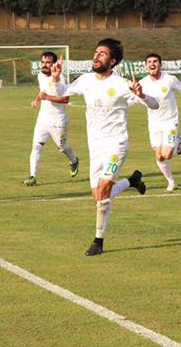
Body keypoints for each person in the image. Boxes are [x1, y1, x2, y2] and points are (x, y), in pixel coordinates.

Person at [38, 38, 159, 257]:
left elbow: (155, 104)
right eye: (96, 52)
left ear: (112, 61)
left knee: (103, 191)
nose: (96, 56)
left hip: (116, 144)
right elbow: (63, 92)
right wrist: (56, 79)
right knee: (98, 195)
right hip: (95, 146)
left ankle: (98, 241)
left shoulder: (122, 84)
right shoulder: (85, 80)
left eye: (102, 53)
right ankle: (131, 181)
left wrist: (141, 95)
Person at [137, 53, 181, 192]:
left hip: (170, 121)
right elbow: (132, 99)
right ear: (146, 66)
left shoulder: (170, 79)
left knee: (167, 155)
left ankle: (178, 141)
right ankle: (171, 182)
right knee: (159, 156)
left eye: (155, 61)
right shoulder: (143, 83)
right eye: (149, 62)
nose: (152, 64)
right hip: (154, 123)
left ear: (160, 64)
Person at [24, 51, 79, 186]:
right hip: (43, 119)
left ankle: (74, 161)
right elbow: (43, 91)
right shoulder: (40, 76)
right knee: (36, 146)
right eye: (42, 62)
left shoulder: (62, 78)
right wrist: (36, 99)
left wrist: (47, 98)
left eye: (48, 62)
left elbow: (65, 99)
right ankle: (32, 176)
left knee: (62, 147)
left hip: (59, 121)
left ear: (54, 64)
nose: (44, 65)